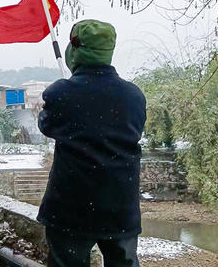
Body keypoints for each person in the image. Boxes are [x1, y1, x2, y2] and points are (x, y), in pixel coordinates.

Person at [36, 19, 147, 267]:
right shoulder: (134, 96)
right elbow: (133, 132)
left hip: (71, 209)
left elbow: (46, 126)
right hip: (120, 208)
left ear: (76, 50)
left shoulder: (61, 93)